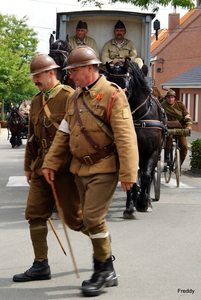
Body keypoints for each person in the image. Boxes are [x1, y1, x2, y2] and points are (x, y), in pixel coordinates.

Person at [42, 45, 139, 297]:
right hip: (80, 169)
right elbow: (63, 134)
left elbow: (126, 136)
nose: (71, 76)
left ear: (89, 68)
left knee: (93, 218)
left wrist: (129, 173)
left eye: (74, 71)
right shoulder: (75, 97)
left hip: (104, 168)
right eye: (70, 71)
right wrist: (51, 162)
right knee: (88, 219)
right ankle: (108, 267)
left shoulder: (112, 94)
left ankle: (102, 272)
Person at [13, 53, 86, 282]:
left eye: (38, 75)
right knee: (34, 214)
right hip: (39, 168)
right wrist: (28, 166)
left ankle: (104, 254)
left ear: (51, 73)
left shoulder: (69, 97)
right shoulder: (35, 101)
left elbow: (77, 135)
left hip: (64, 170)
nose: (35, 80)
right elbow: (32, 137)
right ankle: (40, 265)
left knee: (76, 220)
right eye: (33, 76)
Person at [161, 89, 192, 165]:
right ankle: (167, 156)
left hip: (180, 128)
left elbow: (187, 116)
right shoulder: (162, 105)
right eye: (168, 97)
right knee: (168, 139)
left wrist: (189, 126)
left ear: (174, 98)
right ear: (166, 98)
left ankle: (179, 163)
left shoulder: (180, 105)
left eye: (172, 97)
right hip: (167, 128)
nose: (170, 99)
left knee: (184, 147)